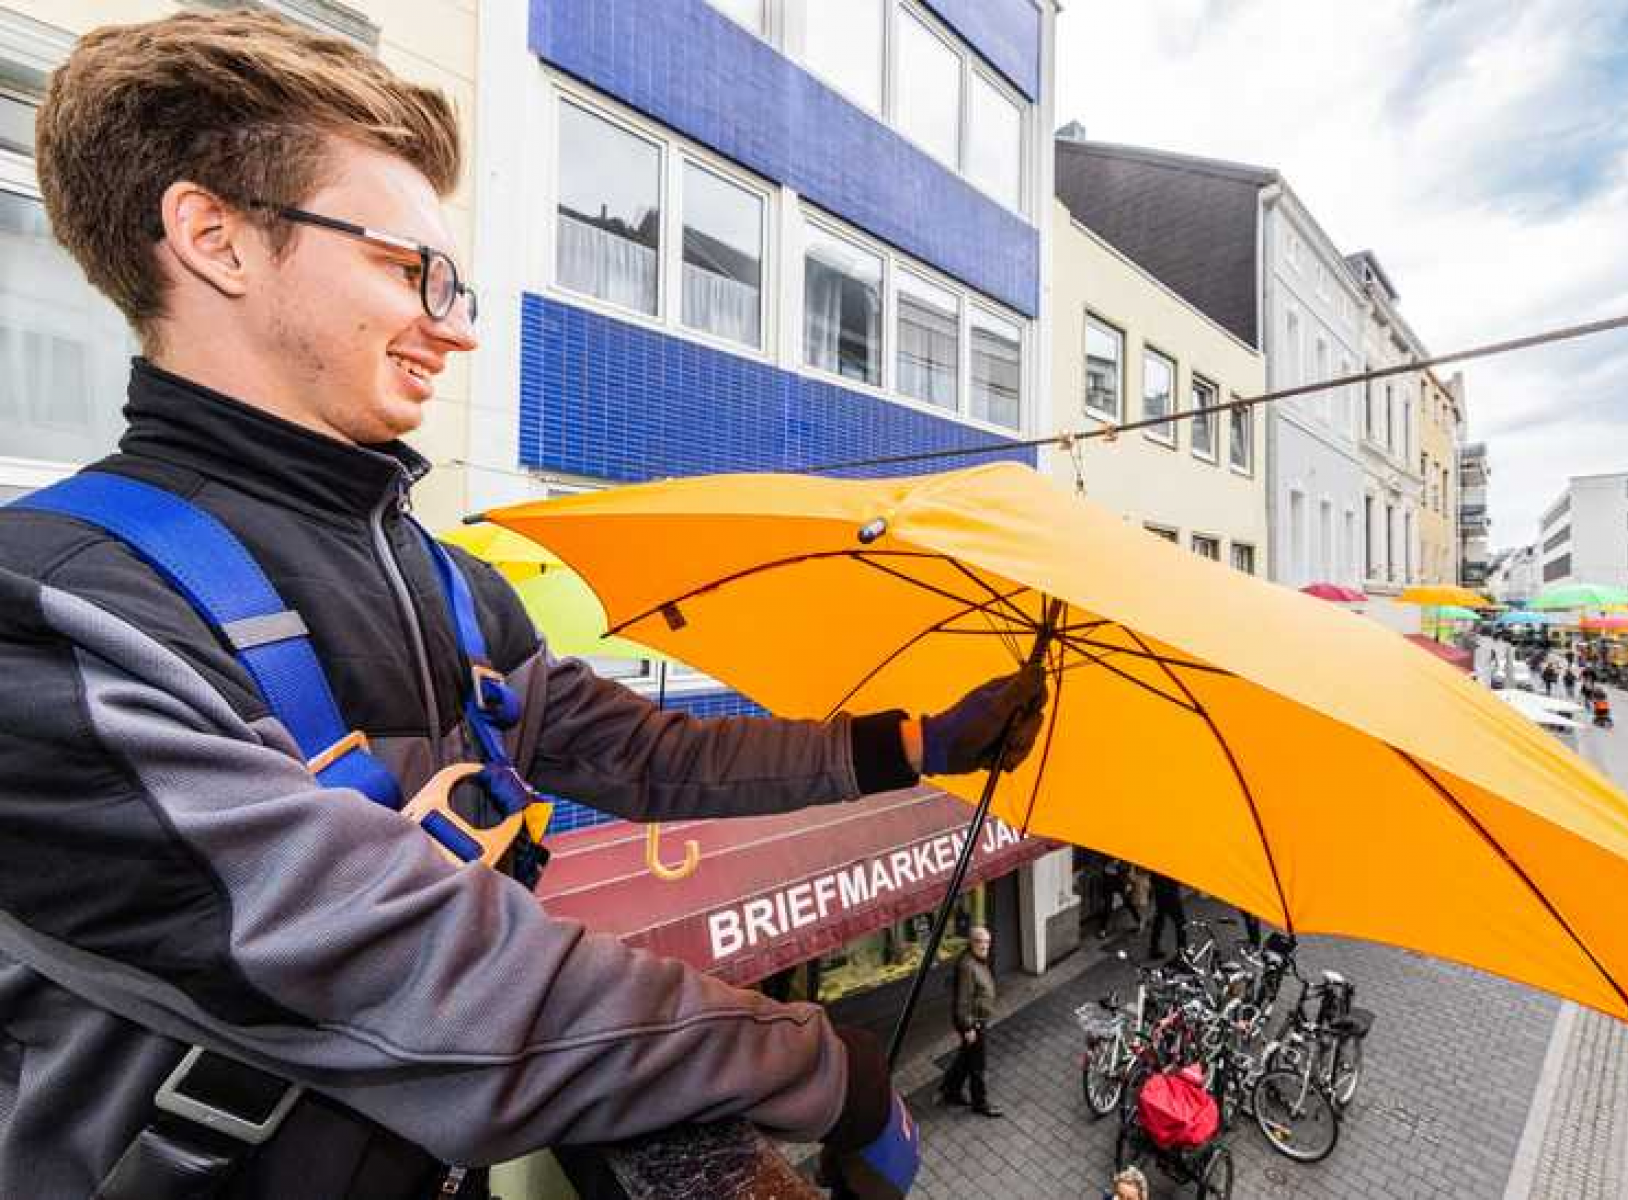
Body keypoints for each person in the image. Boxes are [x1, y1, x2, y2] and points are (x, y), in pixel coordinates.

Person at [0, 14, 1052, 1200]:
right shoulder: (55, 616)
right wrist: (817, 1064)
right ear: (217, 241)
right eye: (411, 270)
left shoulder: (432, 575)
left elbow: (638, 749)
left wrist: (909, 746)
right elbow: (409, 968)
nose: (451, 326)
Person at [938, 926, 1002, 1118]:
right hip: (973, 1022)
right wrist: (969, 1027)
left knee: (966, 1058)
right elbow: (963, 1001)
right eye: (981, 942)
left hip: (976, 1020)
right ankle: (980, 1103)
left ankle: (950, 1090)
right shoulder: (967, 966)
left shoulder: (977, 959)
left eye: (988, 942)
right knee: (977, 1065)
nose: (985, 946)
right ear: (972, 943)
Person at [1146, 872, 1188, 960]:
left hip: (1160, 889)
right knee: (1181, 922)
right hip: (1168, 890)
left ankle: (1154, 948)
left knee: (1160, 918)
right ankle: (1182, 954)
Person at [1099, 857, 1144, 937]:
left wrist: (1118, 866)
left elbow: (1127, 869)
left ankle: (1139, 921)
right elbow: (1104, 868)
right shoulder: (1106, 859)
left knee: (1127, 902)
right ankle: (1103, 929)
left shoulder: (1123, 860)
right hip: (1108, 882)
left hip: (1119, 881)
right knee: (1108, 905)